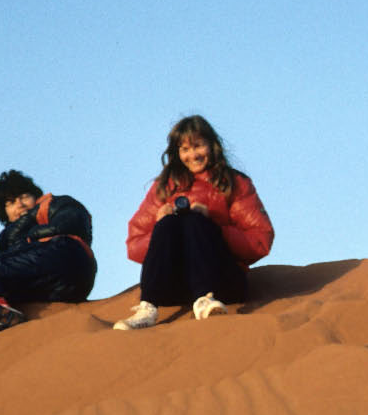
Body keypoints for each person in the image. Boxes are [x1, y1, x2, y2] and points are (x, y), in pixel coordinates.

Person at [117, 115, 274, 330]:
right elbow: (134, 246)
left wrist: (214, 225)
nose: (193, 155)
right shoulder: (164, 187)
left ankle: (205, 299)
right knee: (168, 224)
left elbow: (260, 241)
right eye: (185, 149)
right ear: (177, 152)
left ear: (212, 145)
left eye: (198, 146)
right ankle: (147, 308)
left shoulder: (234, 183)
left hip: (222, 284)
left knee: (194, 222)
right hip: (175, 287)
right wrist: (159, 224)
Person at [0, 170, 97, 343]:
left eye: (24, 197)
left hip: (65, 258)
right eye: (11, 202)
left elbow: (70, 222)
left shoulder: (53, 203)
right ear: (4, 212)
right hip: (44, 287)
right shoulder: (7, 239)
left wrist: (28, 229)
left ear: (35, 196)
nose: (20, 204)